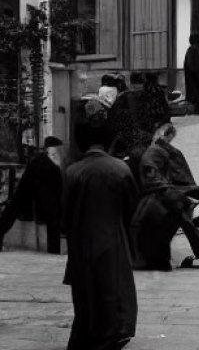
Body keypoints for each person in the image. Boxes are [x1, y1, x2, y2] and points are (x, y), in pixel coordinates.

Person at [62, 115, 139, 350]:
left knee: (85, 298)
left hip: (81, 244)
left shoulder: (72, 172)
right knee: (112, 294)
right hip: (113, 242)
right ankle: (111, 336)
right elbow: (132, 209)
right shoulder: (120, 169)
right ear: (108, 140)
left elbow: (64, 215)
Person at [131, 122, 199, 270]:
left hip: (150, 253)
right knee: (177, 206)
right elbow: (155, 182)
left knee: (178, 205)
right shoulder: (151, 160)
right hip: (149, 257)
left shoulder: (152, 157)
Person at [0, 136, 64, 253]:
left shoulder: (39, 160)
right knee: (53, 222)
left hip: (30, 193)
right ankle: (54, 250)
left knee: (11, 211)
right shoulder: (47, 162)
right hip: (43, 196)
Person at [182, 34, 199, 115]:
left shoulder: (190, 50)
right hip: (194, 76)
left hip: (191, 76)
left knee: (193, 94)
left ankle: (197, 108)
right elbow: (193, 65)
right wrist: (196, 73)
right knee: (197, 93)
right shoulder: (194, 50)